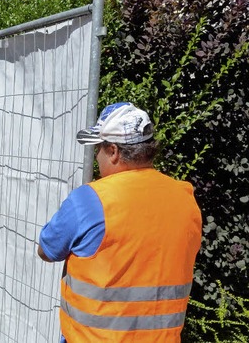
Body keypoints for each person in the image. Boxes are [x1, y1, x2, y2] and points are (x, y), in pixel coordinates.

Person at [37, 102, 202, 342]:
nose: (96, 157)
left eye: (98, 149)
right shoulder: (186, 199)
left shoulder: (91, 200)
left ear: (113, 151)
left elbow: (46, 250)